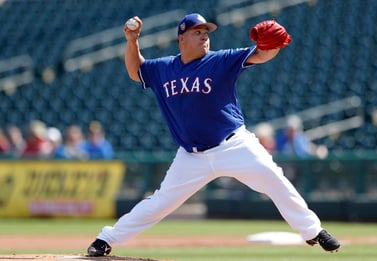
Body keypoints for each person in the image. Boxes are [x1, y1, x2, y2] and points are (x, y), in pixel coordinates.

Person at [87, 13, 340, 256]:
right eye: (198, 32)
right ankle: (106, 239)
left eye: (206, 32)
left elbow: (262, 55)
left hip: (233, 145)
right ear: (181, 38)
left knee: (275, 179)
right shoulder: (163, 68)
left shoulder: (221, 60)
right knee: (160, 202)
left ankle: (313, 231)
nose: (204, 36)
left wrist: (271, 46)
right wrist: (132, 42)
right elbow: (135, 71)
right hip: (191, 156)